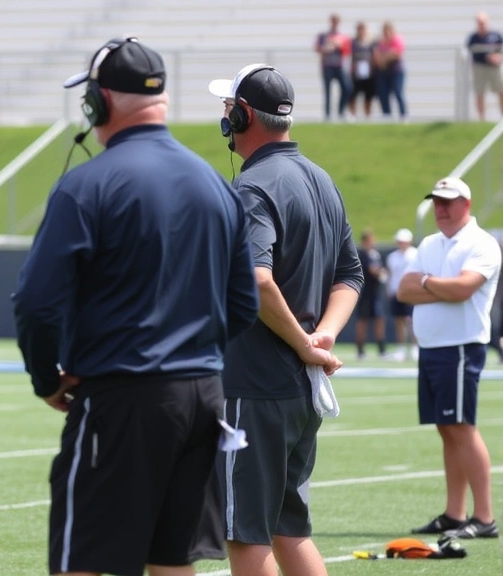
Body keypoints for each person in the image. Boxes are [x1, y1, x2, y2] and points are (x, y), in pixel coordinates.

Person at [13, 37, 260, 576]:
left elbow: (35, 303)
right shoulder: (217, 186)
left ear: (98, 102)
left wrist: (45, 379)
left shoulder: (87, 185)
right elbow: (244, 304)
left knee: (81, 558)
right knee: (171, 560)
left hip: (122, 397)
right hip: (203, 398)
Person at [207, 63, 364, 576]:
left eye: (228, 108)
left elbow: (257, 280)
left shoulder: (253, 186)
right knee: (290, 530)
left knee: (246, 535)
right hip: (300, 389)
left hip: (256, 385)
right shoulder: (320, 178)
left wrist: (302, 342)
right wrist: (323, 336)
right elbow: (350, 274)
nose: (224, 117)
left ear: (243, 114)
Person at [398, 176, 500, 540]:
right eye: (437, 201)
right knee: (447, 429)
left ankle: (484, 517)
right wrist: (437, 285)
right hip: (433, 347)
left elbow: (462, 290)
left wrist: (427, 283)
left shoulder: (481, 244)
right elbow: (403, 289)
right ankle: (456, 514)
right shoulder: (429, 242)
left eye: (448, 201)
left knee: (461, 427)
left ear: (466, 204)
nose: (440, 208)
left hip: (460, 347)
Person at [385, 228, 418, 360]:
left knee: (412, 321)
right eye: (400, 241)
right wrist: (389, 290)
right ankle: (401, 348)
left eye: (404, 241)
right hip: (396, 293)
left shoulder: (415, 254)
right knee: (399, 321)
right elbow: (390, 274)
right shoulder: (392, 257)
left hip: (411, 293)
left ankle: (415, 348)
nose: (402, 243)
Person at [354, 229, 388, 359]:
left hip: (376, 294)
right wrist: (379, 273)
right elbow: (372, 270)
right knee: (362, 321)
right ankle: (360, 350)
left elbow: (380, 270)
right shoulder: (361, 254)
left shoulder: (375, 254)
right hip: (365, 293)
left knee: (379, 320)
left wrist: (381, 273)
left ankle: (381, 350)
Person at [315, 13, 352, 122]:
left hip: (339, 66)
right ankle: (327, 116)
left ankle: (341, 112)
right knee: (327, 91)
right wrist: (326, 48)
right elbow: (317, 48)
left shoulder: (343, 36)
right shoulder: (323, 35)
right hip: (327, 66)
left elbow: (347, 51)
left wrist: (339, 45)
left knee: (346, 88)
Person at [467, 12, 503, 121]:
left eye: (483, 22)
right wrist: (487, 56)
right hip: (479, 68)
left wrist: (497, 57)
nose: (481, 24)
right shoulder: (473, 37)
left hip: (494, 68)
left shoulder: (496, 36)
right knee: (479, 93)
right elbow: (471, 51)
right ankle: (481, 119)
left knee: (500, 91)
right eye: (479, 22)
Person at [374, 21, 407, 121]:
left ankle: (403, 116)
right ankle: (387, 117)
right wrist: (385, 58)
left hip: (396, 72)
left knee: (398, 92)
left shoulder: (398, 39)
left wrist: (384, 58)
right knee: (383, 95)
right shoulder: (381, 42)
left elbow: (396, 53)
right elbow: (377, 57)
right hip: (383, 73)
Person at [348, 21, 377, 120]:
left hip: (369, 73)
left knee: (368, 96)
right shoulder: (353, 42)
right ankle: (353, 115)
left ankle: (367, 115)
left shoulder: (371, 43)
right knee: (353, 94)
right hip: (356, 73)